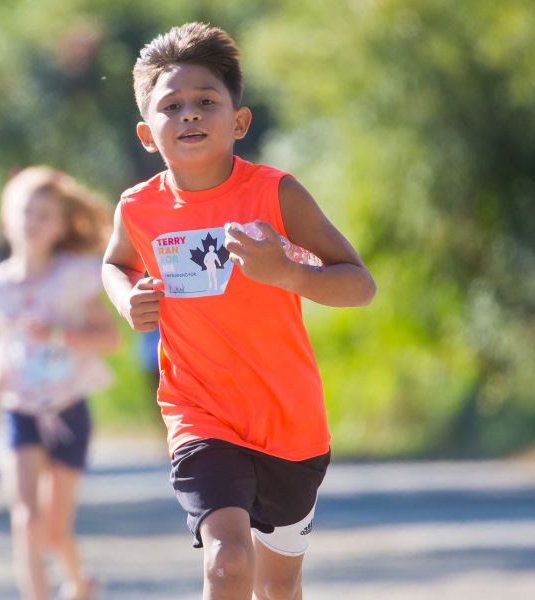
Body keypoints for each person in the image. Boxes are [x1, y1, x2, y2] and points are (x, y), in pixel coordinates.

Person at [102, 23, 376, 600]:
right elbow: (114, 264)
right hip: (198, 412)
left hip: (289, 422)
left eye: (207, 101)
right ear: (147, 134)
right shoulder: (139, 208)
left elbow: (359, 284)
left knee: (279, 586)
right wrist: (128, 299)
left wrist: (291, 274)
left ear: (240, 121)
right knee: (228, 563)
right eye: (171, 106)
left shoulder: (276, 194)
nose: (190, 115)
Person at [0, 166, 118, 600]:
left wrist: (57, 332)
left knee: (55, 531)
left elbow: (108, 339)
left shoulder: (75, 277)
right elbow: (3, 336)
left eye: (43, 215)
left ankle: (78, 582)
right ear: (6, 220)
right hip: (19, 407)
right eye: (25, 213)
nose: (32, 222)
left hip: (68, 405)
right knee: (27, 519)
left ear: (60, 226)